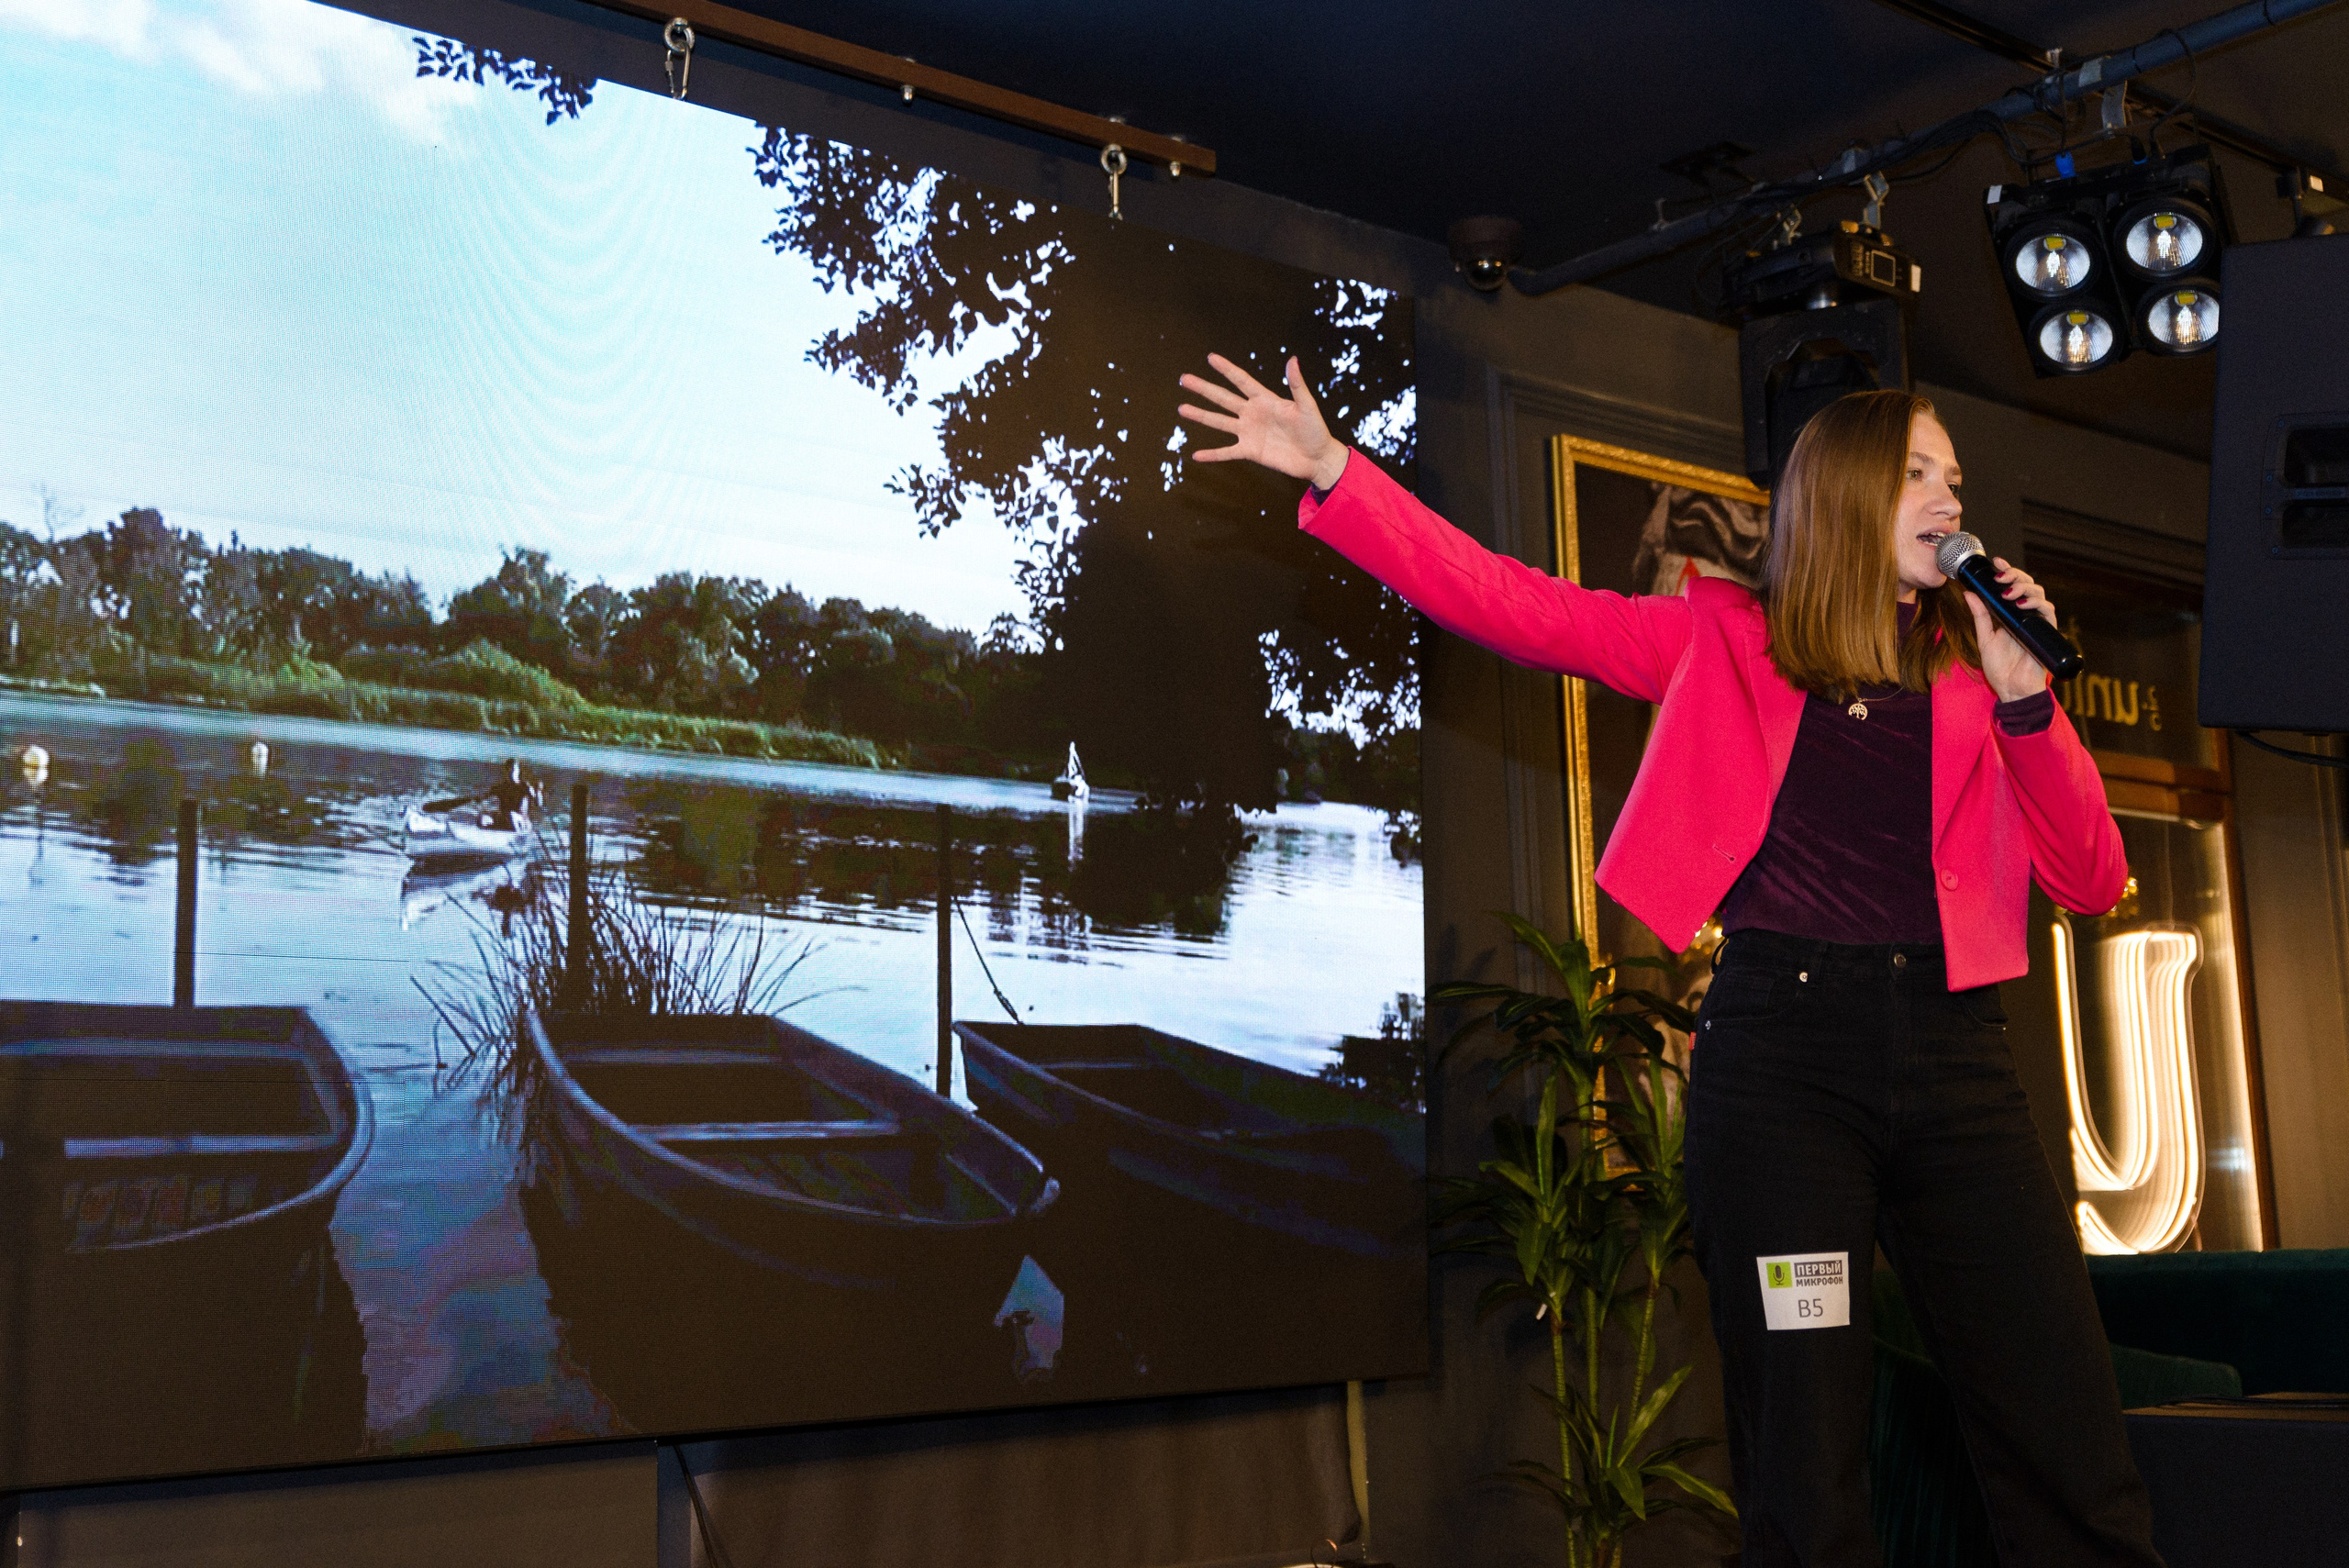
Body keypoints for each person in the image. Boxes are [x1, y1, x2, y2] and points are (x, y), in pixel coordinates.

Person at [1177, 355, 2157, 1565]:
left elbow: (2090, 878)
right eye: (1917, 473)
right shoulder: (1721, 639)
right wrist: (1336, 471)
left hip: (1960, 1062)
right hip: (1787, 1074)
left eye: (1954, 478)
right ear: (1844, 492)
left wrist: (2027, 705)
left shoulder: (1984, 674)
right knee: (1805, 1453)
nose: (1950, 499)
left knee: (2065, 1429)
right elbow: (1512, 602)